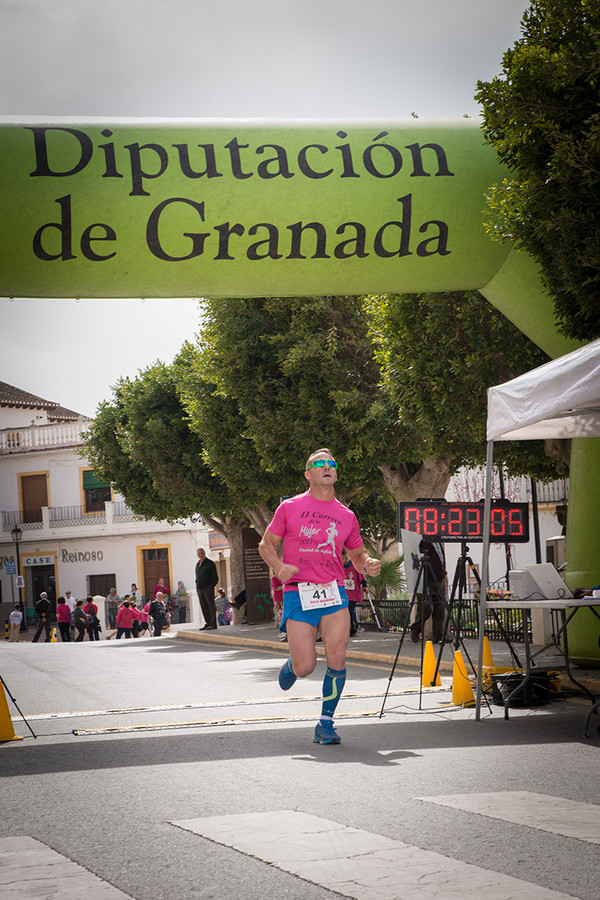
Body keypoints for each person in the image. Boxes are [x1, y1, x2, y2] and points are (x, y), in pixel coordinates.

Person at [258, 447, 381, 745]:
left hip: (333, 591)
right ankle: (291, 665)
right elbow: (266, 544)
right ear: (308, 474)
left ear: (335, 473)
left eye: (332, 464)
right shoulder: (289, 507)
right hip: (298, 593)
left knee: (337, 655)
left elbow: (358, 554)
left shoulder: (347, 515)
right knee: (306, 667)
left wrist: (369, 564)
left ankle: (325, 722)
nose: (327, 467)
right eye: (320, 463)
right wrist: (278, 567)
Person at [410, 540, 447, 644]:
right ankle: (416, 629)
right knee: (425, 607)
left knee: (439, 609)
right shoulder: (424, 542)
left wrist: (443, 571)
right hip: (426, 580)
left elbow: (441, 559)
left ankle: (438, 636)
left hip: (439, 579)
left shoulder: (438, 543)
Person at [342, 548, 365, 637]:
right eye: (343, 559)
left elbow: (361, 576)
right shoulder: (341, 566)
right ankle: (346, 629)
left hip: (353, 593)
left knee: (351, 610)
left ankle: (354, 628)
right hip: (344, 593)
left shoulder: (355, 566)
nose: (345, 560)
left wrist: (365, 585)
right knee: (344, 612)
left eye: (346, 558)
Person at [195, 547, 219, 630]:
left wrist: (211, 586)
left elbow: (215, 577)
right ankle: (208, 623)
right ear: (197, 555)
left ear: (204, 553)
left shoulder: (210, 563)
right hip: (200, 589)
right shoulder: (197, 565)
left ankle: (213, 624)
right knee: (204, 606)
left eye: (202, 553)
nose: (200, 555)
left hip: (207, 588)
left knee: (210, 606)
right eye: (199, 553)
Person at [271, 574, 286, 641]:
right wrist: (284, 586)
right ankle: (282, 631)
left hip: (285, 598)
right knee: (281, 614)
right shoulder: (274, 578)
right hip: (278, 599)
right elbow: (276, 588)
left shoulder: (284, 577)